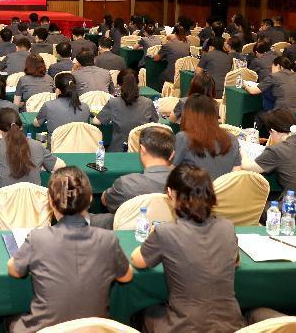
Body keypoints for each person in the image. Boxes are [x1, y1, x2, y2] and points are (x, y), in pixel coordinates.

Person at [7, 167, 132, 331]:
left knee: (11, 320)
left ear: (51, 202)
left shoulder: (37, 238)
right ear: (89, 200)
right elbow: (126, 276)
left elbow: (14, 270)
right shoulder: (108, 239)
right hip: (93, 329)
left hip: (45, 329)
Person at [130, 164, 244, 332]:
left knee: (141, 312)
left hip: (185, 327)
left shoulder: (165, 232)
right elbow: (235, 262)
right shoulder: (227, 226)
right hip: (232, 325)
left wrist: (152, 236)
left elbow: (137, 260)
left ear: (170, 193)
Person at [243, 109, 296, 220]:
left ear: (273, 131)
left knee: (247, 204)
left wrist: (241, 149)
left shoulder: (277, 150)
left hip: (292, 214)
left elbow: (246, 166)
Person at [0, 108, 63, 220]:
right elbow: (61, 166)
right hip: (35, 209)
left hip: (5, 211)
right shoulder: (37, 145)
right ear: (21, 127)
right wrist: (41, 165)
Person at [91, 126, 175, 229]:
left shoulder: (125, 184)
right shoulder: (185, 184)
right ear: (172, 155)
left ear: (142, 150)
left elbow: (105, 201)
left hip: (125, 231)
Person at [172, 94, 241, 179]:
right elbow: (236, 174)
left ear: (187, 115)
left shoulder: (183, 138)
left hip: (194, 186)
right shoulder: (231, 138)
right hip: (224, 187)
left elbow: (172, 171)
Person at [94, 69, 159, 152]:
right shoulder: (148, 103)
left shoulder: (113, 102)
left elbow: (96, 121)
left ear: (119, 85)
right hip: (142, 151)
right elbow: (156, 123)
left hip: (118, 151)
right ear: (138, 83)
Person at [245, 56, 296, 137]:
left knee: (258, 115)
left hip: (280, 116)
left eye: (272, 67)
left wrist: (245, 84)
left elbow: (253, 91)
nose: (271, 70)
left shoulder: (275, 76)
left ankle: (253, 138)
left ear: (279, 66)